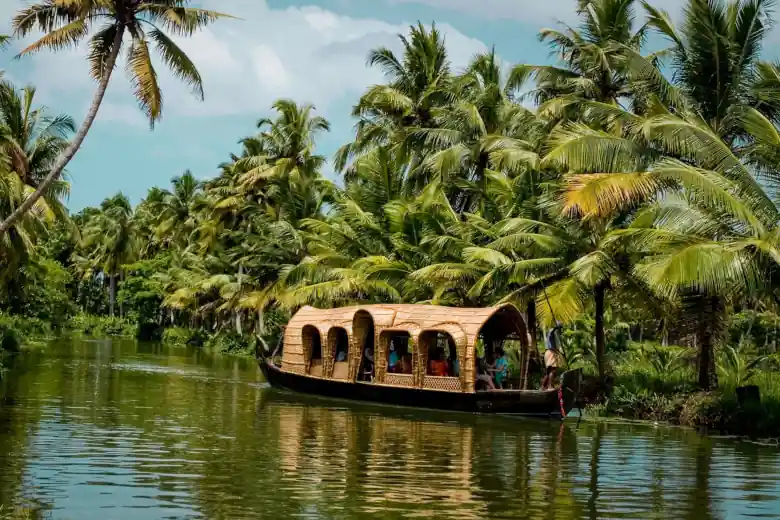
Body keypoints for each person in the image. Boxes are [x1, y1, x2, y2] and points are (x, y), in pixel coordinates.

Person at [543, 324, 563, 390]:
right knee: (552, 370)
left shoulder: (555, 334)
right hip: (551, 352)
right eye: (560, 328)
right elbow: (552, 331)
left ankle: (543, 387)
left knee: (548, 372)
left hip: (550, 352)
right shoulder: (551, 332)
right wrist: (555, 327)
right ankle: (549, 386)